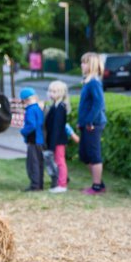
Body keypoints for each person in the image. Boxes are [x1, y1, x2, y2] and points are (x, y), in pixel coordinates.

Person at [77, 53, 108, 194]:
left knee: (93, 154)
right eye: (82, 62)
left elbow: (98, 104)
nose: (82, 65)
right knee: (84, 154)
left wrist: (89, 121)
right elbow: (85, 105)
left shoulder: (94, 82)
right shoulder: (88, 82)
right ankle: (99, 183)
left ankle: (97, 186)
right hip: (86, 123)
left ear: (92, 65)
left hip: (93, 124)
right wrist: (81, 122)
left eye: (85, 63)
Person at [44, 80, 77, 193]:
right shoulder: (55, 106)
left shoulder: (60, 108)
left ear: (61, 93)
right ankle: (60, 182)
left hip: (58, 140)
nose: (51, 93)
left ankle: (62, 184)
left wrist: (53, 145)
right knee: (58, 161)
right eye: (50, 91)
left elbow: (57, 128)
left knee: (60, 161)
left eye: (54, 91)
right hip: (55, 139)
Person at [18, 87, 45, 191]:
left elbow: (32, 125)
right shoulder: (38, 108)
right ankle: (40, 184)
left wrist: (23, 131)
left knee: (32, 164)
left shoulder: (30, 110)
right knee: (39, 163)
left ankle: (34, 185)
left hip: (32, 141)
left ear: (25, 100)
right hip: (40, 140)